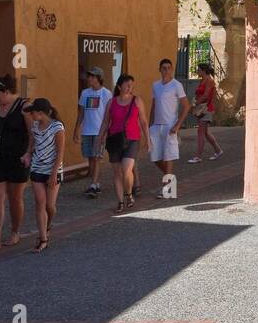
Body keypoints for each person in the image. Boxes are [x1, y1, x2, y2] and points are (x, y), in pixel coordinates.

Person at [0, 75, 32, 255]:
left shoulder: (24, 107)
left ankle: (15, 231)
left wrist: (28, 153)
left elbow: (33, 134)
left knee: (15, 197)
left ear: (8, 92)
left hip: (18, 158)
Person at [99, 74, 148, 214]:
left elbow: (144, 121)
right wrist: (99, 139)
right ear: (119, 86)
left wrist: (148, 140)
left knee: (126, 170)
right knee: (117, 173)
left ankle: (128, 194)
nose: (129, 87)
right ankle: (120, 201)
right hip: (114, 139)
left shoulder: (137, 100)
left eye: (131, 85)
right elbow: (105, 122)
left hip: (132, 139)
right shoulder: (112, 102)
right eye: (127, 85)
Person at [23, 99, 64, 253]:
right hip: (37, 169)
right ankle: (43, 239)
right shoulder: (35, 126)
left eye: (32, 112)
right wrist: (27, 153)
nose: (30, 115)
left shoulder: (57, 127)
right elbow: (33, 143)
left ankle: (48, 224)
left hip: (52, 170)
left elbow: (60, 151)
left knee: (49, 206)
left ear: (40, 113)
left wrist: (54, 173)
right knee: (40, 204)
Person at [149, 58, 190, 198]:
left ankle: (167, 190)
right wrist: (149, 125)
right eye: (163, 68)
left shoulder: (176, 85)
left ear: (172, 69)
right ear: (159, 70)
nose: (166, 70)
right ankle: (171, 179)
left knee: (168, 157)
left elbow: (186, 106)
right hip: (156, 126)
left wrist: (177, 125)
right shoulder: (155, 85)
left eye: (168, 68)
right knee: (155, 157)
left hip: (170, 126)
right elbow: (153, 106)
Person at [76, 67, 111, 198]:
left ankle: (93, 184)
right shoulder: (85, 93)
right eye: (89, 76)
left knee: (97, 158)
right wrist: (77, 129)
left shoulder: (106, 93)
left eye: (92, 76)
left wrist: (106, 132)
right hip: (87, 130)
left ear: (98, 78)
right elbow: (81, 112)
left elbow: (108, 115)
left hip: (99, 131)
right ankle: (96, 184)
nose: (89, 78)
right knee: (90, 157)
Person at [188, 63, 222, 163]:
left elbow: (206, 95)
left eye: (198, 69)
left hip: (206, 109)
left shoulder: (209, 81)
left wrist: (196, 104)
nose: (197, 71)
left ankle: (198, 156)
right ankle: (218, 151)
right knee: (205, 133)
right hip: (201, 108)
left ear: (203, 71)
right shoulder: (202, 80)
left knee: (201, 132)